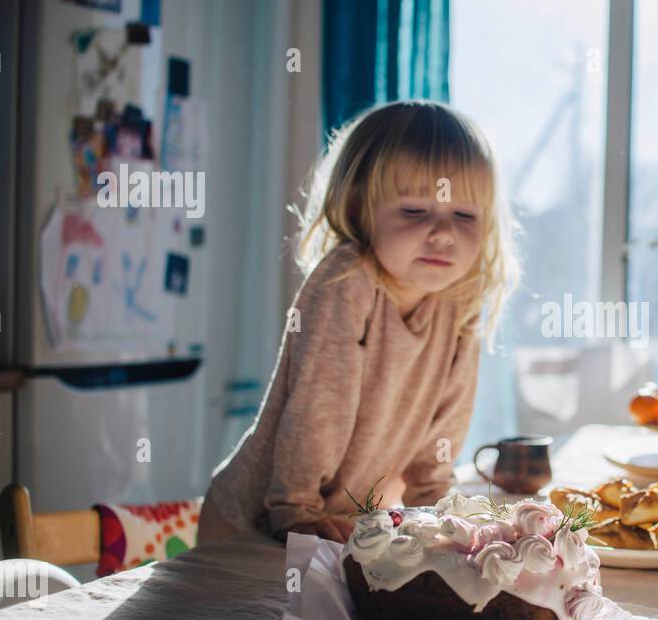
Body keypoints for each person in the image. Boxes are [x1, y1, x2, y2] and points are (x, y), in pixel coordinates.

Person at [198, 100, 518, 546]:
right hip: (253, 521)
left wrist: (437, 506)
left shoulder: (459, 300)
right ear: (359, 207)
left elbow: (447, 421)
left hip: (335, 525)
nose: (443, 233)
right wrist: (295, 508)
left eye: (464, 215)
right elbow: (318, 406)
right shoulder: (346, 280)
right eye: (414, 211)